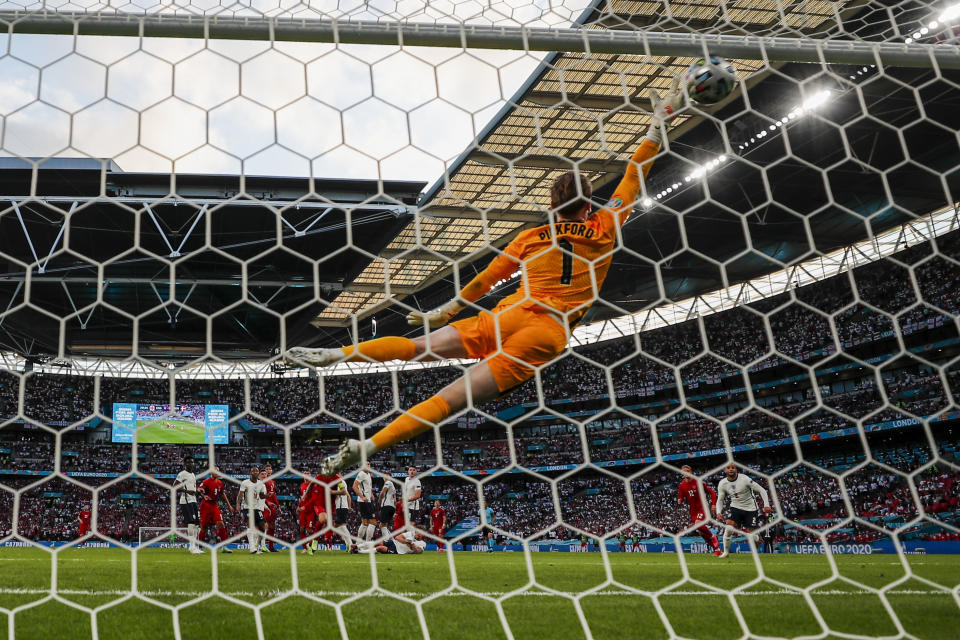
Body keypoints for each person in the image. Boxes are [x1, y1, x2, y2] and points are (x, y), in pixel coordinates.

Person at [284, 85, 682, 475]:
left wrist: (448, 310)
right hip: (546, 333)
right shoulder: (606, 224)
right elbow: (633, 175)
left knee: (415, 347)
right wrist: (656, 126)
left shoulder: (529, 239)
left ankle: (339, 354)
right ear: (589, 199)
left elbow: (486, 280)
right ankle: (368, 446)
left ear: (551, 204)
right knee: (449, 400)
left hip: (508, 316)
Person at [714, 463, 772, 558]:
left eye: (733, 467)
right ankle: (726, 552)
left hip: (751, 509)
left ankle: (756, 538)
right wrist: (718, 512)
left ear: (736, 469)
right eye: (728, 468)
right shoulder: (722, 483)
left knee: (751, 536)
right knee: (729, 528)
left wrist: (766, 505)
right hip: (736, 508)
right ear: (725, 470)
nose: (731, 469)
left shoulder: (745, 479)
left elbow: (762, 490)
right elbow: (720, 500)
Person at [677, 464, 722, 557]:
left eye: (687, 471)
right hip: (693, 510)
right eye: (684, 471)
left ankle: (713, 536)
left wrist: (713, 504)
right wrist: (680, 500)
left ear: (691, 472)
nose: (686, 473)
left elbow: (712, 492)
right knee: (701, 532)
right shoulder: (682, 485)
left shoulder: (698, 482)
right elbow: (680, 496)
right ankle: (717, 550)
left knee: (698, 524)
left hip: (703, 507)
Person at [198, 466, 235, 553]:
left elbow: (223, 494)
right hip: (205, 505)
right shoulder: (206, 481)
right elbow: (199, 489)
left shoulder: (220, 483)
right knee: (204, 527)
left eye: (218, 471)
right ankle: (200, 547)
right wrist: (204, 495)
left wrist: (229, 505)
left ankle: (224, 547)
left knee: (221, 524)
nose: (217, 472)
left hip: (214, 505)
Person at [173, 456, 201, 554]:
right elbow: (175, 486)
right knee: (191, 522)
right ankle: (192, 547)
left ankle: (194, 546)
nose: (191, 464)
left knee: (197, 524)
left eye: (192, 462)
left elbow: (192, 488)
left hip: (193, 500)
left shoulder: (193, 474)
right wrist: (186, 491)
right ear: (185, 464)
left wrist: (198, 491)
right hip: (186, 501)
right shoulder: (182, 474)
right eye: (188, 462)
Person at [236, 466, 267, 555]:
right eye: (253, 471)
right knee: (251, 525)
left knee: (263, 527)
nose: (255, 472)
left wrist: (267, 495)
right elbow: (240, 495)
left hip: (257, 508)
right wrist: (238, 504)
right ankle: (252, 547)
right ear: (250, 473)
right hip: (247, 507)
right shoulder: (245, 482)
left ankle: (256, 546)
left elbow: (261, 496)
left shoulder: (261, 484)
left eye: (256, 471)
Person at [353, 464, 376, 544]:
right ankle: (367, 543)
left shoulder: (368, 474)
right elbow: (354, 486)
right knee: (373, 522)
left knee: (365, 523)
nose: (368, 465)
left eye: (369, 464)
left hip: (367, 500)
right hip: (364, 501)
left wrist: (371, 494)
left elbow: (368, 487)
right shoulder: (361, 474)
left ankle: (358, 543)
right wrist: (362, 497)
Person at [262, 464, 280, 552]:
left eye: (270, 469)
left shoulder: (272, 481)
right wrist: (267, 501)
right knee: (265, 526)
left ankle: (271, 547)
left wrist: (278, 506)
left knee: (272, 526)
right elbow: (260, 494)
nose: (269, 470)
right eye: (267, 469)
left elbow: (274, 495)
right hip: (264, 506)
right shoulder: (263, 481)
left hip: (272, 507)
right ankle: (261, 545)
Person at [377, 476, 398, 541]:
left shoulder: (388, 482)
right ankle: (392, 540)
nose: (385, 478)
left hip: (386, 506)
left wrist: (379, 500)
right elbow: (395, 499)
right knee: (384, 525)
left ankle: (387, 541)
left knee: (381, 525)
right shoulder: (393, 488)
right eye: (384, 476)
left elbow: (382, 493)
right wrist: (395, 510)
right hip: (391, 507)